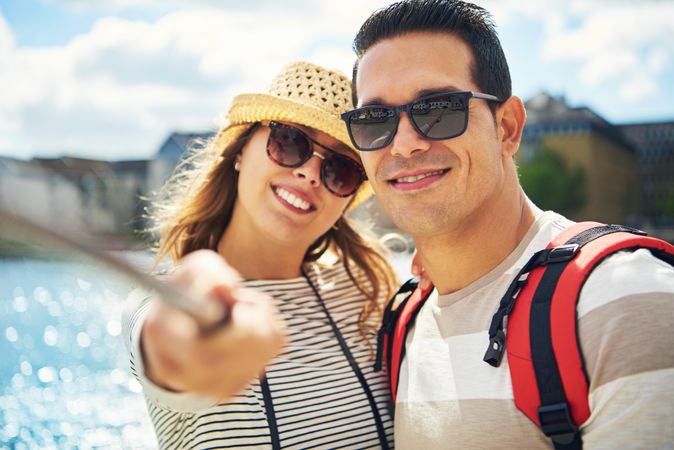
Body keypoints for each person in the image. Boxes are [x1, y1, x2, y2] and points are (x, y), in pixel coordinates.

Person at [340, 0, 674, 448]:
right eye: (373, 119)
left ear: (508, 128)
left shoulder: (623, 298)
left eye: (437, 109)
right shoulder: (404, 321)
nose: (403, 145)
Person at [122, 61, 397, 449]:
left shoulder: (368, 295)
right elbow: (170, 353)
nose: (310, 174)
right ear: (240, 151)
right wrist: (183, 341)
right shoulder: (164, 301)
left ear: (347, 200)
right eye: (289, 142)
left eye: (342, 169)